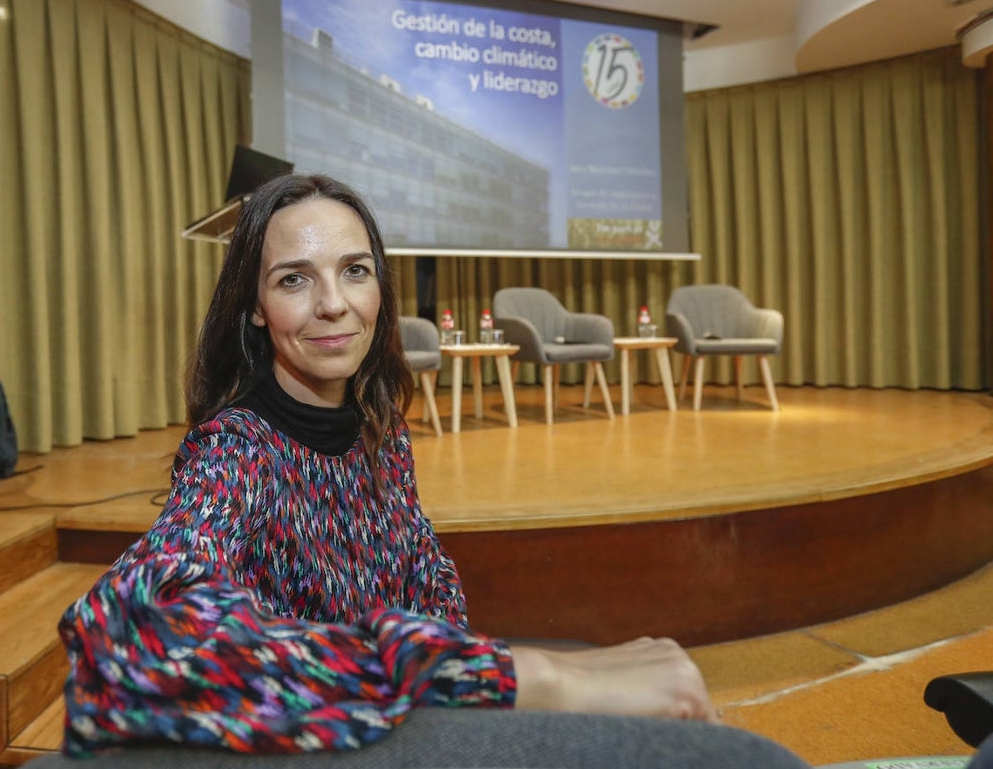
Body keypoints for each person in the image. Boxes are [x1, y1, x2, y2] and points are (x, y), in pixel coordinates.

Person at [55, 173, 804, 767]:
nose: (333, 305)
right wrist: (535, 678)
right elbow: (135, 632)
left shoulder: (384, 429)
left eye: (355, 271)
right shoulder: (235, 451)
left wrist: (474, 680)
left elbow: (428, 592)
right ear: (253, 307)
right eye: (293, 280)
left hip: (414, 718)